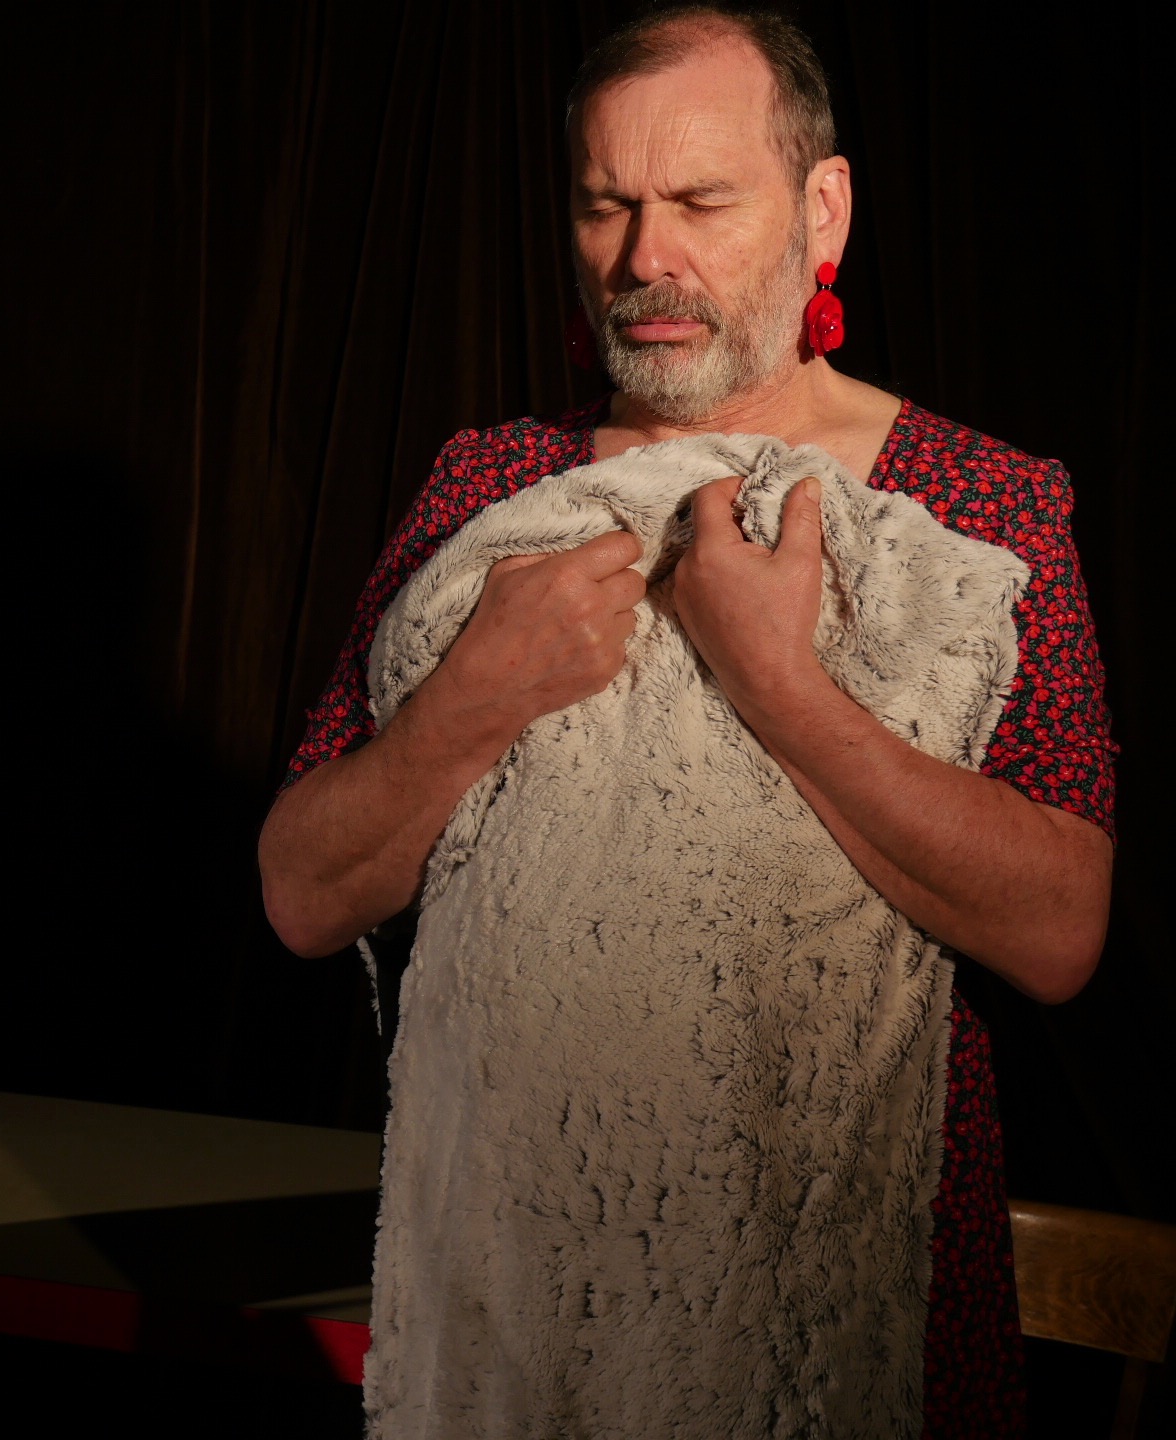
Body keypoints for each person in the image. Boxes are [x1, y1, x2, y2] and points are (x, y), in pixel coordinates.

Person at [259, 8, 1112, 1438]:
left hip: (858, 1311)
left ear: (821, 211)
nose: (645, 257)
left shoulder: (982, 503)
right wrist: (477, 693)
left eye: (703, 202)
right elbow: (300, 891)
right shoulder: (490, 487)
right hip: (523, 1299)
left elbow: (1059, 930)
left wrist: (781, 683)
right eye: (607, 205)